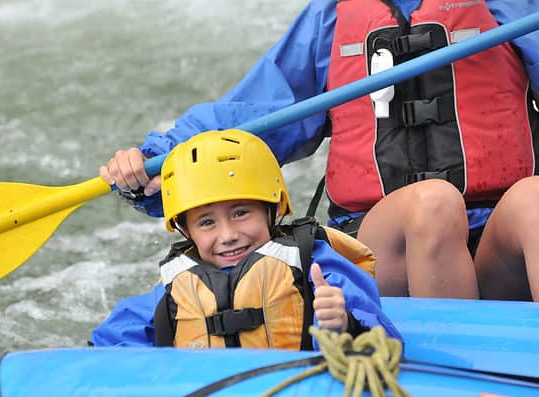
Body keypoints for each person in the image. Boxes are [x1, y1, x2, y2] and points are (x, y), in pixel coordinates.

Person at [100, 0, 539, 301]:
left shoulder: (515, 7)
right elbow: (249, 117)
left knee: (535, 199)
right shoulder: (330, 17)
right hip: (380, 252)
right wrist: (160, 161)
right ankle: (453, 370)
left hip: (495, 250)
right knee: (434, 204)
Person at [92, 129, 401, 348]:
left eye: (241, 213)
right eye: (207, 222)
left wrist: (343, 323)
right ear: (185, 231)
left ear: (274, 207)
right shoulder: (176, 285)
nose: (228, 235)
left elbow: (380, 335)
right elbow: (110, 343)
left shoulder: (316, 266)